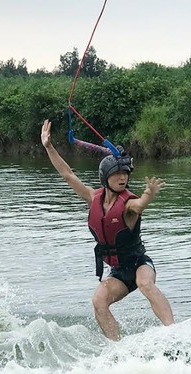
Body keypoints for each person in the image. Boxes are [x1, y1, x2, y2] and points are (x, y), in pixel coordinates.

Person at [40, 119, 175, 341]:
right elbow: (68, 175)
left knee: (145, 284)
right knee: (98, 301)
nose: (123, 177)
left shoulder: (129, 204)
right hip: (119, 272)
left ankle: (173, 332)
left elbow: (139, 205)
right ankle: (118, 347)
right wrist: (49, 146)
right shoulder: (92, 198)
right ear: (105, 177)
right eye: (117, 174)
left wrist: (148, 195)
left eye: (125, 173)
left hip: (140, 264)